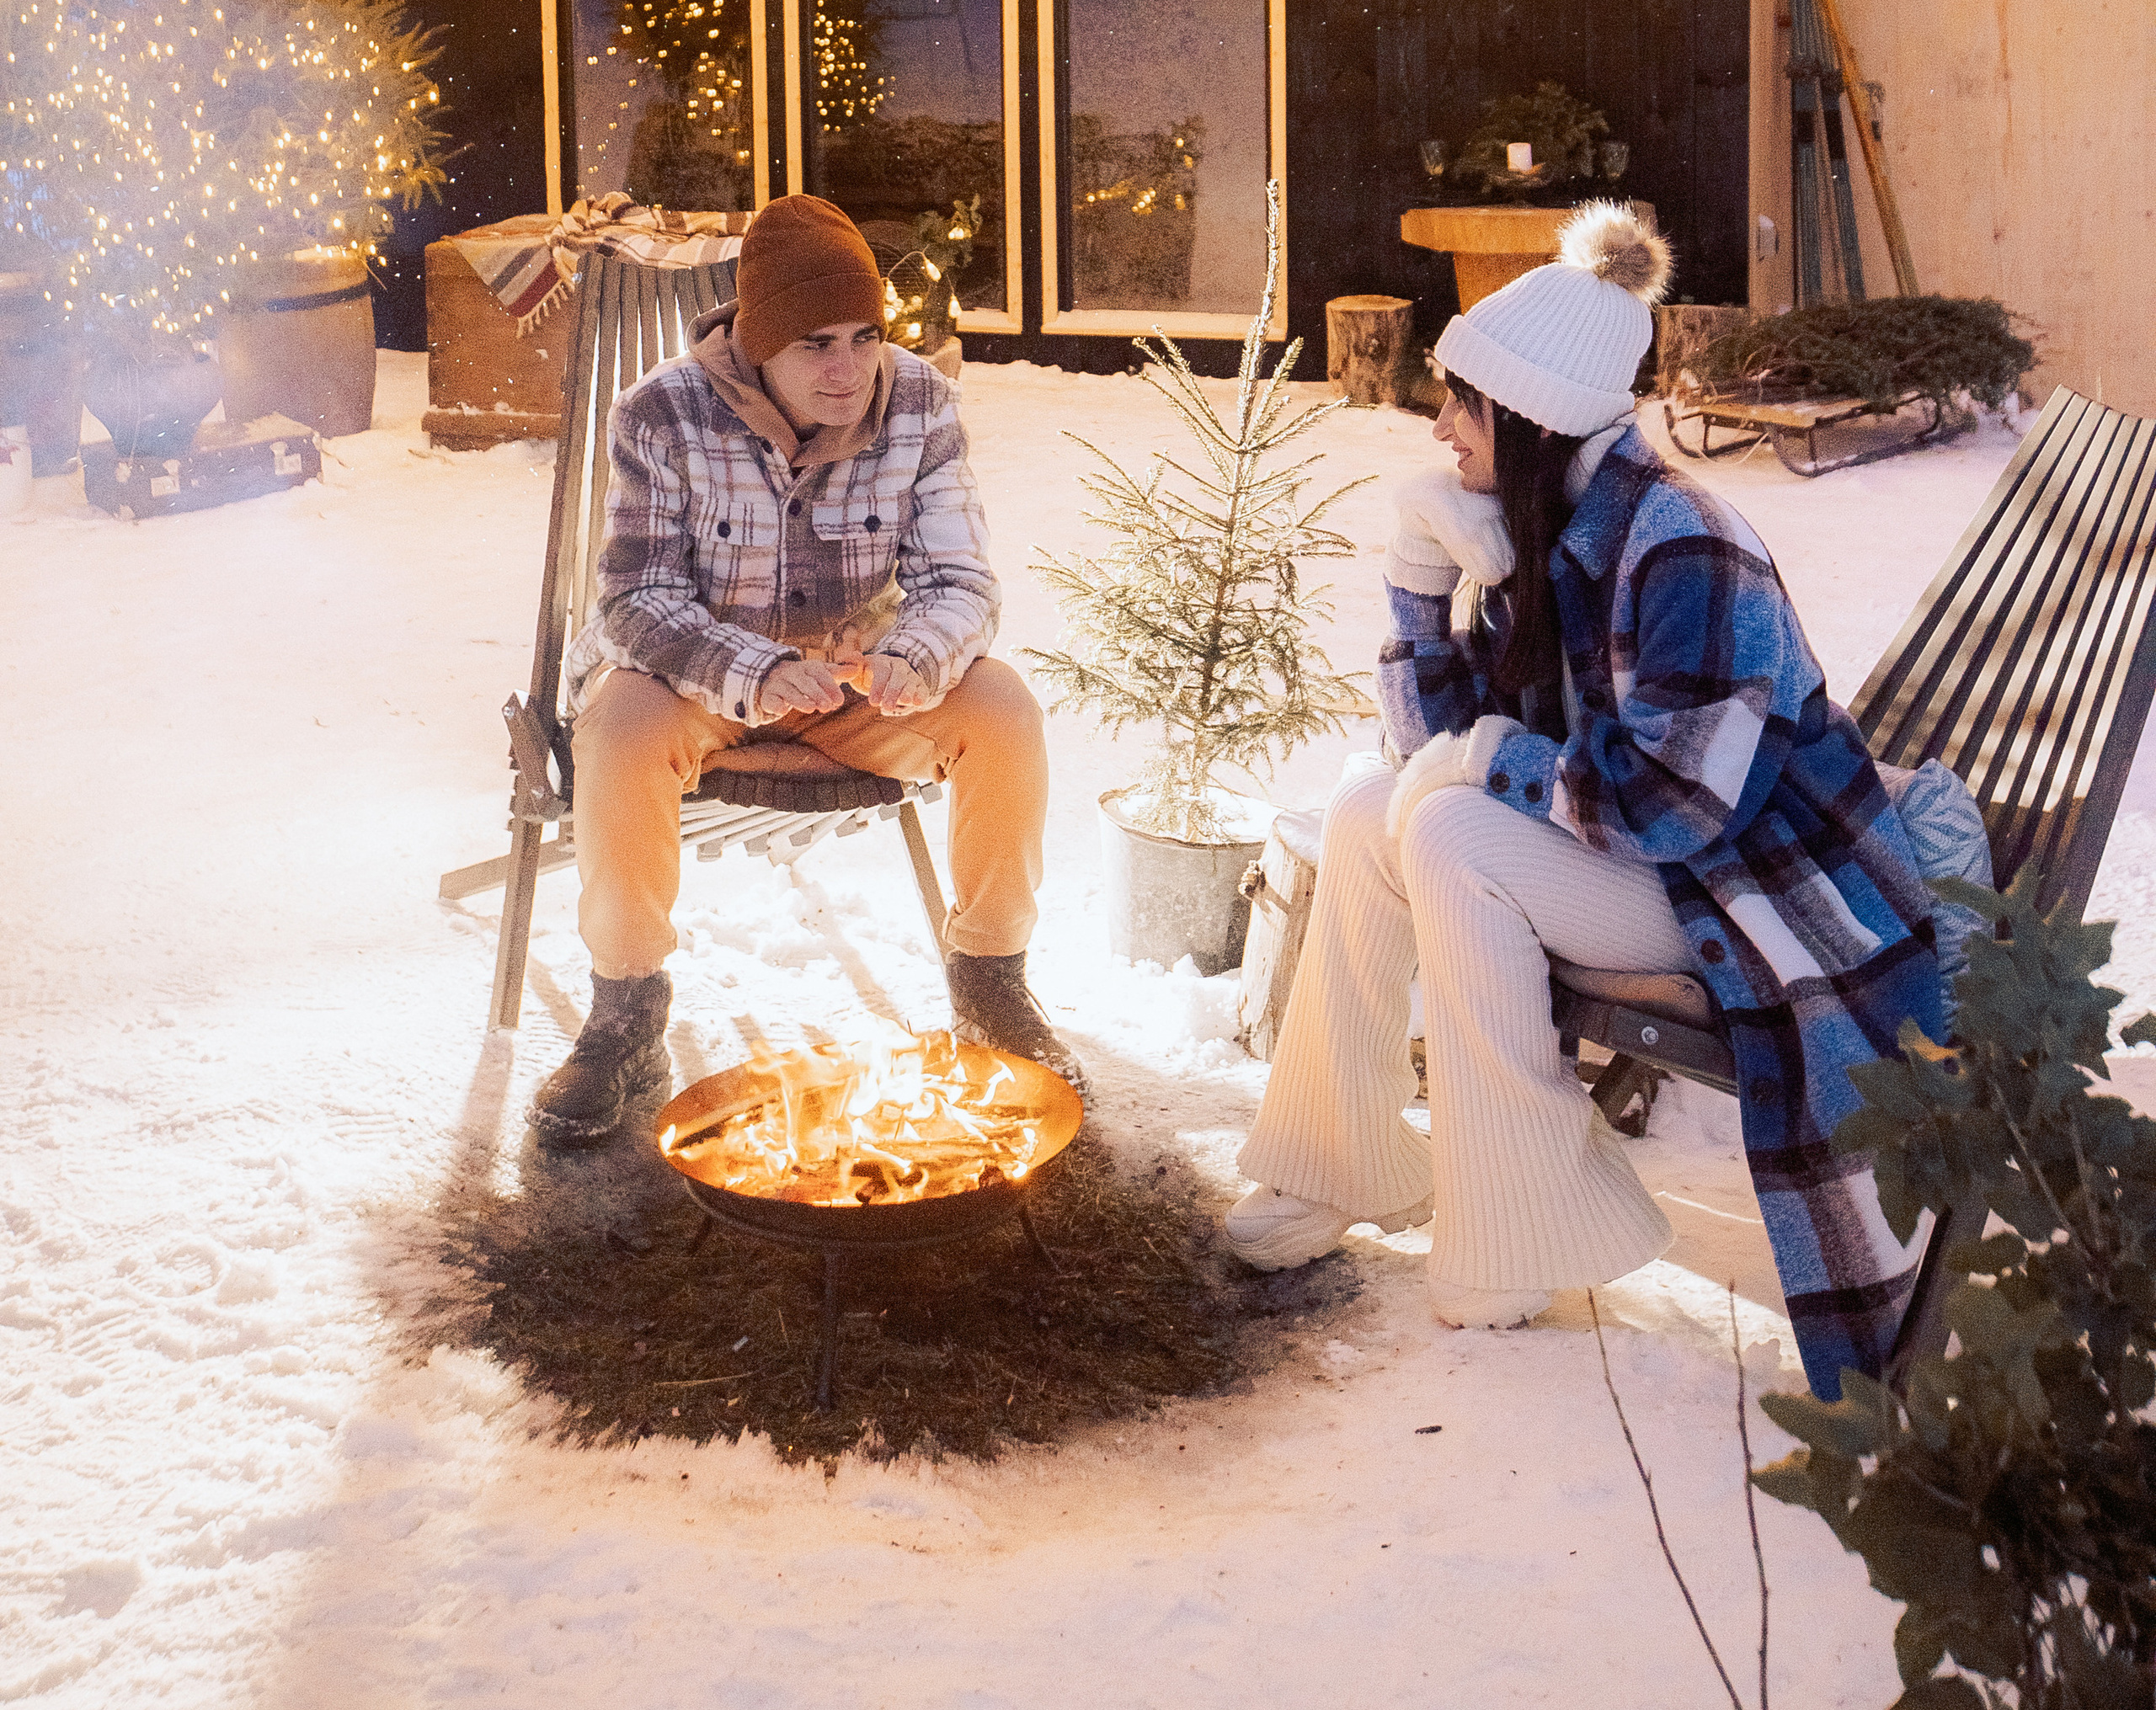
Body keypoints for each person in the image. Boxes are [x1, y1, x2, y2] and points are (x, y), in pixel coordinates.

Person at [1222, 204, 1945, 1402]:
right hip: (1648, 859)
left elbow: (1671, 809)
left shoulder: (1684, 545)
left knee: (1452, 830)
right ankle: (1335, 1160)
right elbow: (1425, 752)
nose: (1441, 426)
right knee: (1368, 811)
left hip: (1748, 886)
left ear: (1534, 417)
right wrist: (1418, 565)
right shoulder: (1546, 522)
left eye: (1463, 403)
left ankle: (1525, 1229)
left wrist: (1493, 766)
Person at [531, 193, 1065, 1144]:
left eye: (865, 338)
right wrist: (755, 668)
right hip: (695, 682)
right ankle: (625, 1012)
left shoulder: (919, 402)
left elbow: (962, 580)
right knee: (615, 728)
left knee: (1004, 708)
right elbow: (633, 600)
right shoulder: (660, 415)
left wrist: (913, 651)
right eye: (817, 343)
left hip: (851, 688)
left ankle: (990, 979)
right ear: (757, 341)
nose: (847, 369)